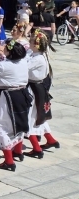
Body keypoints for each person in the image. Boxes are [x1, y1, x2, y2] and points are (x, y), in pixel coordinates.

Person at [0, 40, 31, 171]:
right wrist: (3, 55)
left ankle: (9, 161)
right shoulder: (23, 61)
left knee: (1, 127)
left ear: (9, 52)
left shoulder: (3, 65)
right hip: (23, 94)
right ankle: (17, 151)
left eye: (5, 48)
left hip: (8, 96)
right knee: (19, 123)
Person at [26, 29, 59, 157]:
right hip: (36, 87)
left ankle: (37, 149)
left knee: (30, 118)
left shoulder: (38, 58)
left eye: (31, 41)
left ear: (36, 45)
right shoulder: (37, 55)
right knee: (39, 117)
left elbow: (23, 68)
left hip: (34, 89)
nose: (29, 42)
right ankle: (51, 140)